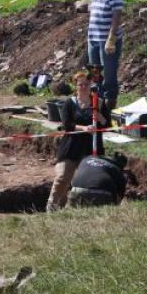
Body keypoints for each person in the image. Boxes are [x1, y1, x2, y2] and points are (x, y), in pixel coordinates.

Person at [46, 70, 111, 212]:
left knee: (89, 182)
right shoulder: (70, 103)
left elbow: (107, 125)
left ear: (91, 85)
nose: (83, 87)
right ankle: (53, 208)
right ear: (76, 86)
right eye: (80, 84)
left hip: (91, 148)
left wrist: (98, 115)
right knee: (62, 178)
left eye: (86, 84)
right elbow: (66, 124)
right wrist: (84, 128)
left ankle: (83, 209)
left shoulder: (98, 102)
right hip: (71, 147)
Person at [86, 0, 124, 109]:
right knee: (94, 72)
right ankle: (97, 104)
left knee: (108, 73)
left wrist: (111, 38)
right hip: (93, 36)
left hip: (106, 38)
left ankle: (110, 104)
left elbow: (117, 13)